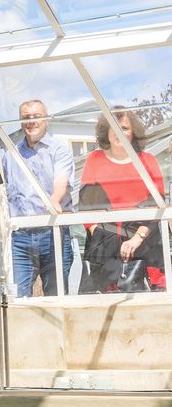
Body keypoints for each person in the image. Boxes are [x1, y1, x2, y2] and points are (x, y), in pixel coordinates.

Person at [78, 109, 166, 294]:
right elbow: (86, 204)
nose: (119, 132)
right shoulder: (94, 160)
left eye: (124, 128)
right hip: (104, 247)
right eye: (114, 127)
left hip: (145, 243)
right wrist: (104, 239)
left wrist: (135, 240)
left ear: (133, 132)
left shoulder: (147, 161)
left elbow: (157, 205)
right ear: (106, 132)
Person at [2, 99, 74, 297]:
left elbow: (62, 180)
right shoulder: (10, 154)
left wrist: (54, 200)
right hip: (20, 236)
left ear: (47, 120)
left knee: (56, 295)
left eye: (36, 117)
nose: (31, 122)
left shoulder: (59, 149)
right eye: (26, 118)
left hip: (53, 231)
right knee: (17, 297)